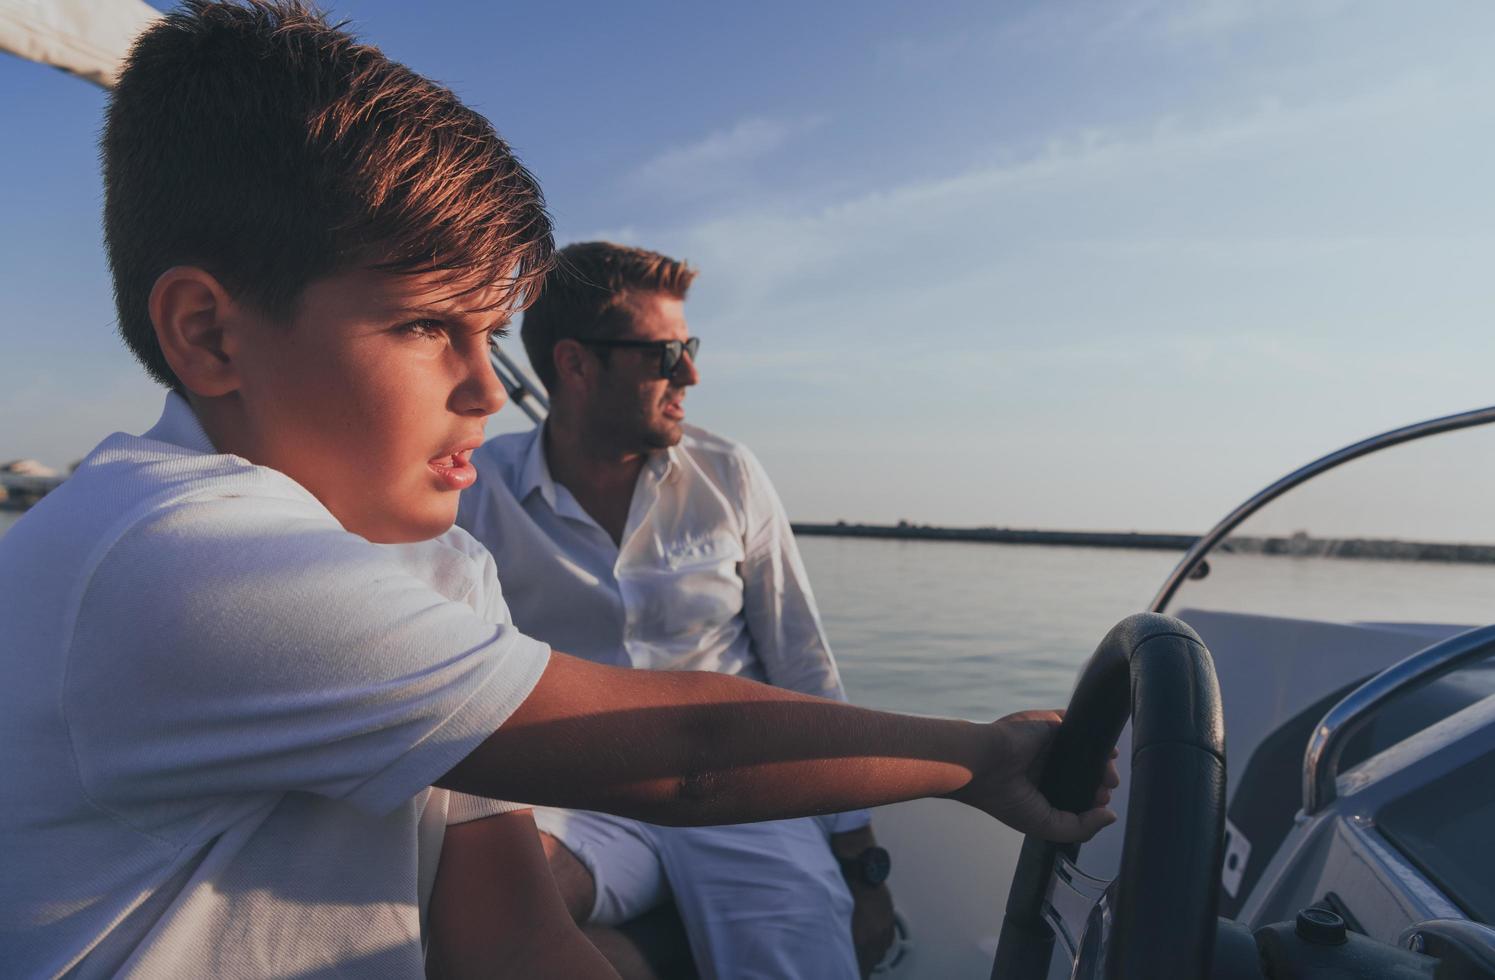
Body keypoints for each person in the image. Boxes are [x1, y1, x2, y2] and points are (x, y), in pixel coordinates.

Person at [0, 3, 1116, 978]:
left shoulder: (437, 571)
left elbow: (511, 947)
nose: (486, 388)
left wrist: (860, 845)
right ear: (208, 333)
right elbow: (688, 763)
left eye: (488, 333)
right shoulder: (180, 554)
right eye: (428, 325)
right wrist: (981, 757)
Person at [458, 242, 891, 979]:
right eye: (665, 354)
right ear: (574, 364)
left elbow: (800, 662)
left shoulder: (729, 475)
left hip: (741, 795)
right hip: (573, 795)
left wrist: (860, 861)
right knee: (480, 918)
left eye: (688, 348)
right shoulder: (478, 494)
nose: (690, 373)